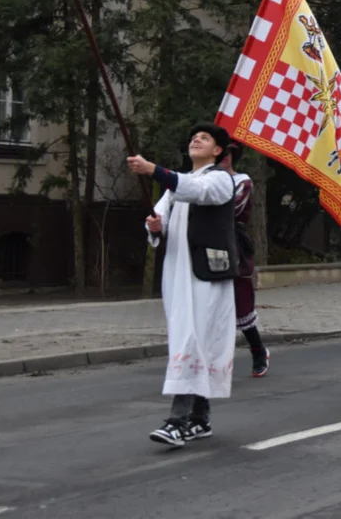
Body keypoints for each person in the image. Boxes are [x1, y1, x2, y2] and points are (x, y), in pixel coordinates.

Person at [127, 123, 239, 448]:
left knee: (194, 338)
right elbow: (159, 219)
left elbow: (197, 191)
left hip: (206, 275)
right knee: (191, 338)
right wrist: (155, 226)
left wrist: (153, 169)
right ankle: (200, 419)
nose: (195, 140)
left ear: (218, 151)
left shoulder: (220, 179)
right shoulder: (175, 188)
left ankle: (177, 422)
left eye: (203, 138)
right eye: (193, 137)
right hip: (178, 275)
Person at [222, 143, 269, 377]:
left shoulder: (242, 181)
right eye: (220, 152)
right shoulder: (197, 180)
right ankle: (216, 361)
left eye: (227, 153)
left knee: (242, 305)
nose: (223, 157)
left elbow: (232, 209)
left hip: (233, 246)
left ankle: (258, 350)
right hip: (204, 248)